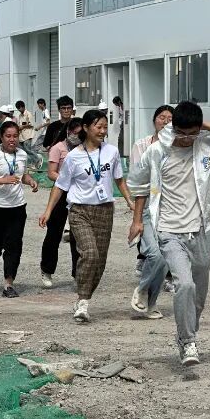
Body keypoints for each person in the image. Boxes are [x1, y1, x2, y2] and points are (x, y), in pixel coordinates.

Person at [129, 101, 210, 365]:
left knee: (198, 296)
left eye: (192, 134)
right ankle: (188, 340)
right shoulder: (158, 151)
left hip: (202, 229)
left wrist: (201, 126)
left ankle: (189, 331)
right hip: (169, 230)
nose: (186, 139)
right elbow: (139, 184)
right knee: (185, 284)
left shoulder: (208, 145)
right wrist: (137, 221)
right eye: (182, 133)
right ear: (173, 127)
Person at [41, 109, 132, 323]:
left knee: (99, 261)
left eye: (105, 127)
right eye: (98, 127)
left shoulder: (111, 152)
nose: (102, 131)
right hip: (80, 210)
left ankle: (85, 295)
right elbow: (60, 186)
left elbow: (119, 179)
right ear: (86, 128)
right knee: (89, 253)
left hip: (104, 210)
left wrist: (129, 200)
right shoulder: (73, 157)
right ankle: (82, 301)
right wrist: (48, 210)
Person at [0, 121, 39, 297]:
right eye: (8, 136)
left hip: (17, 207)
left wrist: (30, 181)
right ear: (1, 137)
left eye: (15, 136)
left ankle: (8, 284)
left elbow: (22, 175)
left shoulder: (22, 154)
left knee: (14, 245)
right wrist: (3, 180)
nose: (12, 140)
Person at [129, 104, 174, 319]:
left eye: (170, 118)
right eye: (161, 117)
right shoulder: (142, 145)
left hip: (170, 208)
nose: (165, 121)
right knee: (155, 254)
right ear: (154, 120)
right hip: (147, 206)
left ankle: (152, 302)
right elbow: (139, 181)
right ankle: (142, 288)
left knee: (165, 258)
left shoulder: (178, 147)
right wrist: (136, 220)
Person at [37, 116, 84, 288]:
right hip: (61, 193)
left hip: (78, 195)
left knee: (77, 235)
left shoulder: (84, 149)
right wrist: (66, 181)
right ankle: (47, 269)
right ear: (68, 131)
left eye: (80, 133)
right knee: (54, 233)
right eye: (74, 132)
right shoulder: (58, 148)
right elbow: (51, 173)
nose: (76, 136)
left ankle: (78, 273)